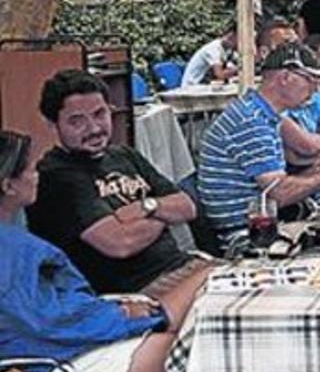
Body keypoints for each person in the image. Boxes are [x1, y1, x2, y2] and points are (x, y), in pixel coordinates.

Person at [0, 130, 185, 372]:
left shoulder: (14, 235)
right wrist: (121, 316)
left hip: (51, 338)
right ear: (8, 186)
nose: (37, 175)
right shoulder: (12, 249)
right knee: (177, 349)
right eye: (31, 170)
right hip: (34, 366)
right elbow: (45, 324)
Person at [29, 70, 207, 297]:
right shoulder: (55, 176)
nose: (94, 128)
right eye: (77, 121)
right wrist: (164, 216)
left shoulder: (124, 155)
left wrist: (146, 207)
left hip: (184, 266)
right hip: (138, 293)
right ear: (53, 125)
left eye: (99, 114)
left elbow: (187, 207)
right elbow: (121, 243)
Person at [198, 43, 320, 252]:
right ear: (285, 77)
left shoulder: (257, 112)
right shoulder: (252, 122)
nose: (315, 90)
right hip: (247, 238)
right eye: (310, 80)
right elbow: (280, 193)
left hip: (262, 226)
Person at [181, 21, 238, 86]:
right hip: (192, 86)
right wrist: (238, 69)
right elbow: (220, 75)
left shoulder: (228, 50)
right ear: (231, 37)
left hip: (204, 86)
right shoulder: (213, 49)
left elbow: (232, 67)